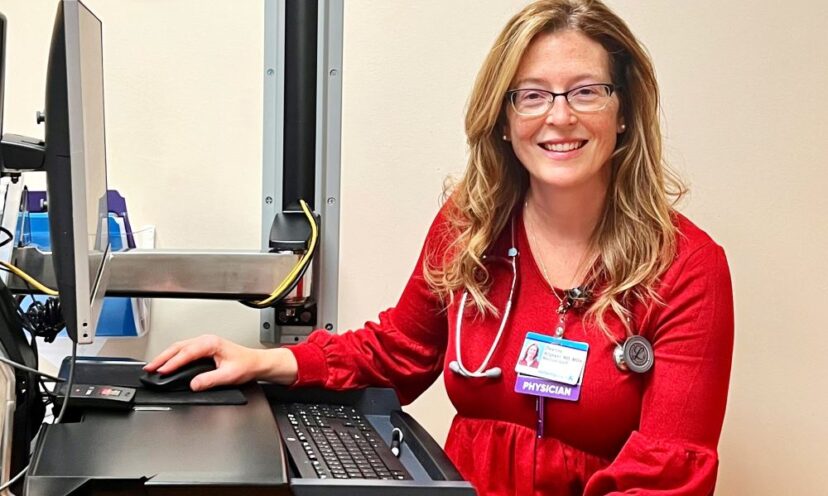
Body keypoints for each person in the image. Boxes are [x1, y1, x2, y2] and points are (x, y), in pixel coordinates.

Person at [145, 0, 734, 494]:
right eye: (531, 95)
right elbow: (400, 351)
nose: (559, 117)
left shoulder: (687, 268)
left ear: (624, 110)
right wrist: (272, 361)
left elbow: (663, 474)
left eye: (585, 91)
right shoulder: (468, 230)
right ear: (503, 118)